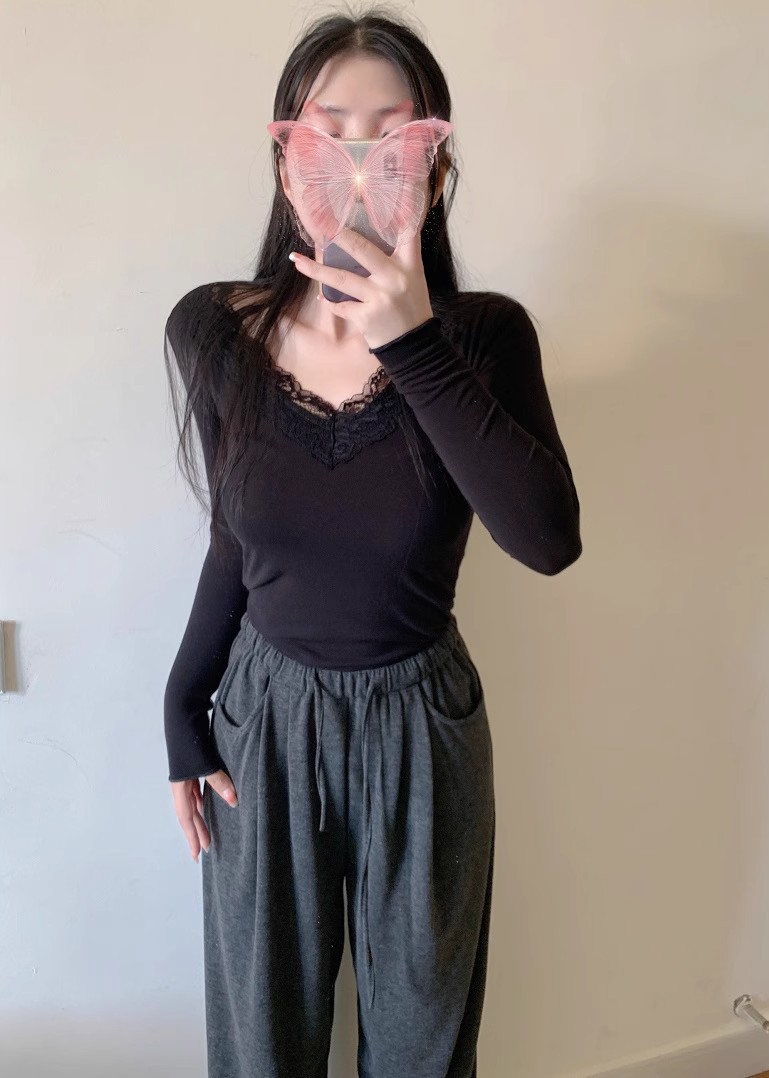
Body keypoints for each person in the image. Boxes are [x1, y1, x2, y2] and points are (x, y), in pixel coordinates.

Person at [162, 7, 581, 1077]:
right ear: (283, 154)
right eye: (329, 131)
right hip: (263, 722)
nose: (357, 165)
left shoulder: (486, 336)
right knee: (262, 1043)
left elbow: (546, 541)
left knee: (421, 1046)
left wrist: (413, 342)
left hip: (421, 725)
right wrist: (180, 705)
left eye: (392, 136)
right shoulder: (214, 330)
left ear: (434, 165)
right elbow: (238, 538)